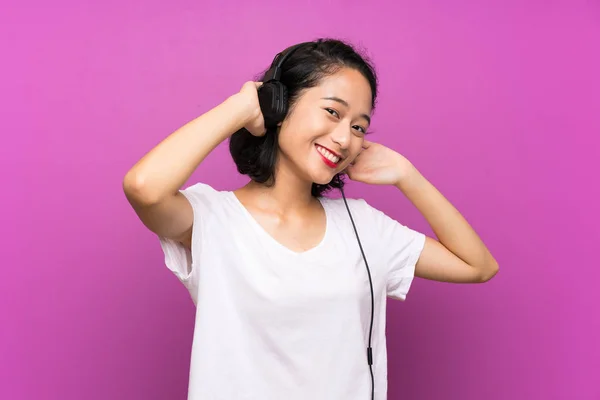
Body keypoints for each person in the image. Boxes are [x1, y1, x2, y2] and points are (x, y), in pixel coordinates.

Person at [123, 38, 499, 400]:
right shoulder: (212, 218)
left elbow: (477, 265)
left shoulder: (364, 226)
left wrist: (407, 175)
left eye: (358, 127)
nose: (344, 138)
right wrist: (238, 109)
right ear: (279, 106)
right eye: (333, 112)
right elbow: (144, 187)